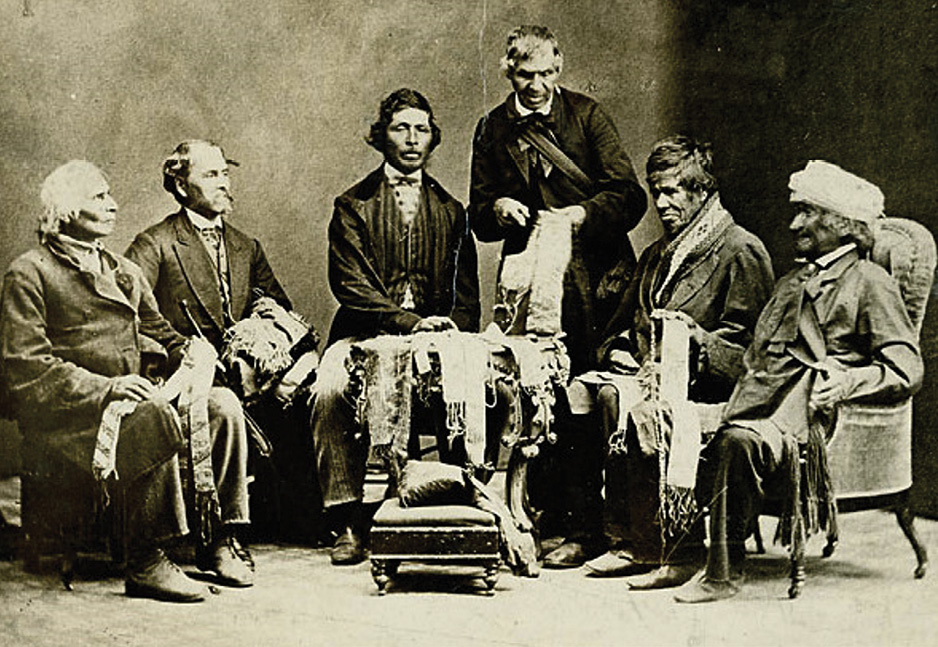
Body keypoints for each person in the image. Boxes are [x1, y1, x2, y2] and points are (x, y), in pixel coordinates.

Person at [1, 160, 254, 602]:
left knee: (222, 405)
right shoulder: (30, 272)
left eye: (110, 195)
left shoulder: (122, 270)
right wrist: (107, 388)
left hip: (133, 398)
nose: (114, 205)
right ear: (66, 209)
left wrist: (191, 352)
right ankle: (145, 560)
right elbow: (27, 368)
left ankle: (216, 538)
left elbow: (162, 334)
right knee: (151, 411)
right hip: (75, 415)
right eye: (99, 197)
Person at [675, 160, 924, 603]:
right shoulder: (791, 282)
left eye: (807, 213)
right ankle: (678, 554)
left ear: (843, 224)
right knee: (667, 421)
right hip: (759, 398)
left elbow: (907, 368)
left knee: (738, 441)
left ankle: (724, 574)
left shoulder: (871, 281)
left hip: (811, 414)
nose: (794, 224)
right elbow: (754, 361)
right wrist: (701, 345)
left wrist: (850, 380)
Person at [568, 136, 774, 581]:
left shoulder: (740, 250)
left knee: (647, 411)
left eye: (672, 191)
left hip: (711, 392)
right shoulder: (657, 255)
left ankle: (674, 549)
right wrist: (621, 349)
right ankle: (628, 541)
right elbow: (620, 327)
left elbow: (752, 356)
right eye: (655, 190)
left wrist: (695, 348)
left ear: (702, 192)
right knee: (601, 393)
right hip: (649, 379)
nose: (661, 203)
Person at [313, 88, 481, 565]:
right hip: (362, 334)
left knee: (465, 387)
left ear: (433, 138)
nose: (412, 140)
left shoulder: (451, 211)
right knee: (328, 390)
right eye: (401, 128)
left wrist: (455, 338)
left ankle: (453, 508)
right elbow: (352, 288)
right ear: (381, 136)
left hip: (436, 340)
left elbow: (466, 295)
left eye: (422, 129)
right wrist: (411, 323)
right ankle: (346, 521)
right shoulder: (353, 206)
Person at [125, 140, 320, 543]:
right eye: (211, 175)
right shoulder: (155, 244)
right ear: (181, 187)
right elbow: (131, 314)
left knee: (303, 389)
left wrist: (259, 348)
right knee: (221, 404)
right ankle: (219, 533)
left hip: (247, 372)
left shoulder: (245, 246)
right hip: (190, 372)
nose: (224, 184)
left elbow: (278, 309)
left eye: (225, 174)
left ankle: (293, 522)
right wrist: (187, 350)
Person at [469, 24, 647, 375]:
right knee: (529, 383)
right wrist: (497, 209)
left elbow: (630, 197)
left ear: (559, 66)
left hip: (596, 277)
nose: (537, 86)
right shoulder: (491, 128)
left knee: (590, 383)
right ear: (508, 71)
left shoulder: (588, 115)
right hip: (529, 283)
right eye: (525, 76)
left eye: (547, 74)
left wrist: (581, 214)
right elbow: (479, 221)